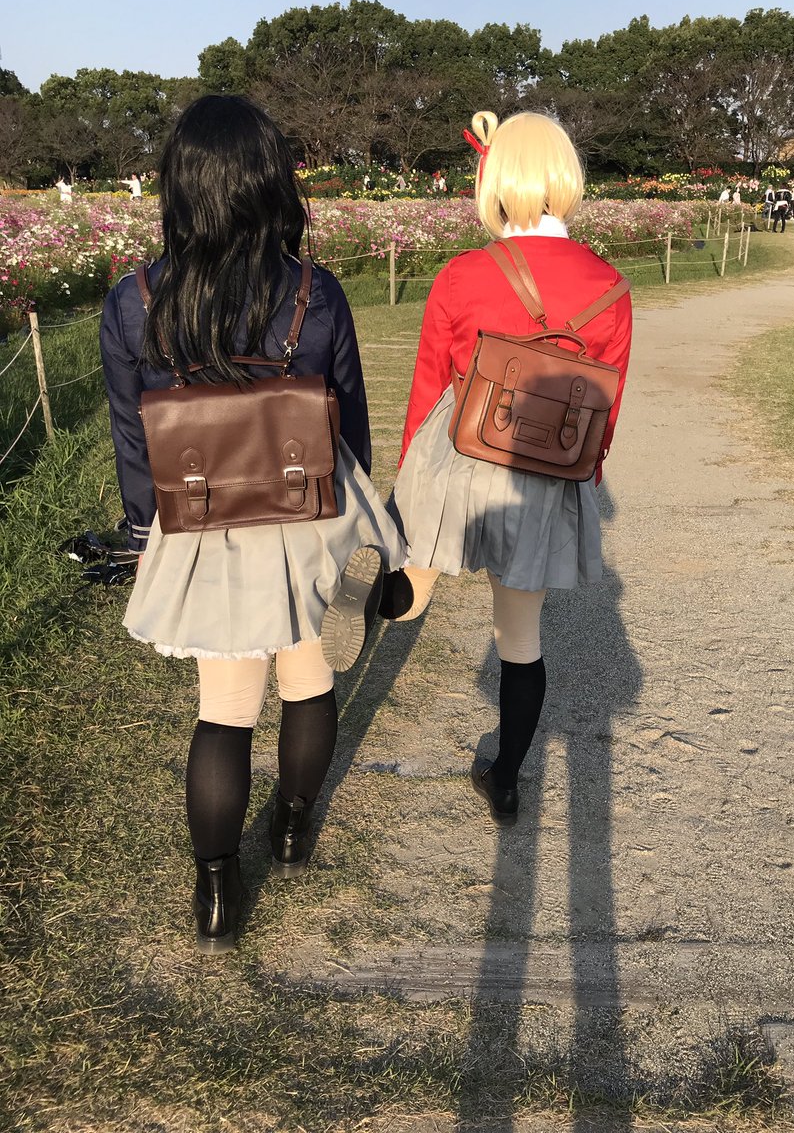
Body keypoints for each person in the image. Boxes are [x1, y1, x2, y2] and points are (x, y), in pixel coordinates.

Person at [100, 96, 406, 953]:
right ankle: (294, 827)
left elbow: (135, 441)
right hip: (303, 506)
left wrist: (144, 535)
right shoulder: (314, 291)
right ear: (272, 181)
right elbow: (350, 427)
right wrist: (347, 518)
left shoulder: (135, 301)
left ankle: (216, 892)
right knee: (308, 677)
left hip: (199, 519)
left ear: (179, 184)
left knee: (224, 708)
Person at [380, 110, 632, 825]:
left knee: (410, 578)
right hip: (542, 478)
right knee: (520, 639)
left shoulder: (463, 275)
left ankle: (361, 613)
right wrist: (583, 476)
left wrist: (407, 478)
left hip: (458, 459)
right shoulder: (611, 286)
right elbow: (605, 410)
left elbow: (430, 382)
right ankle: (509, 778)